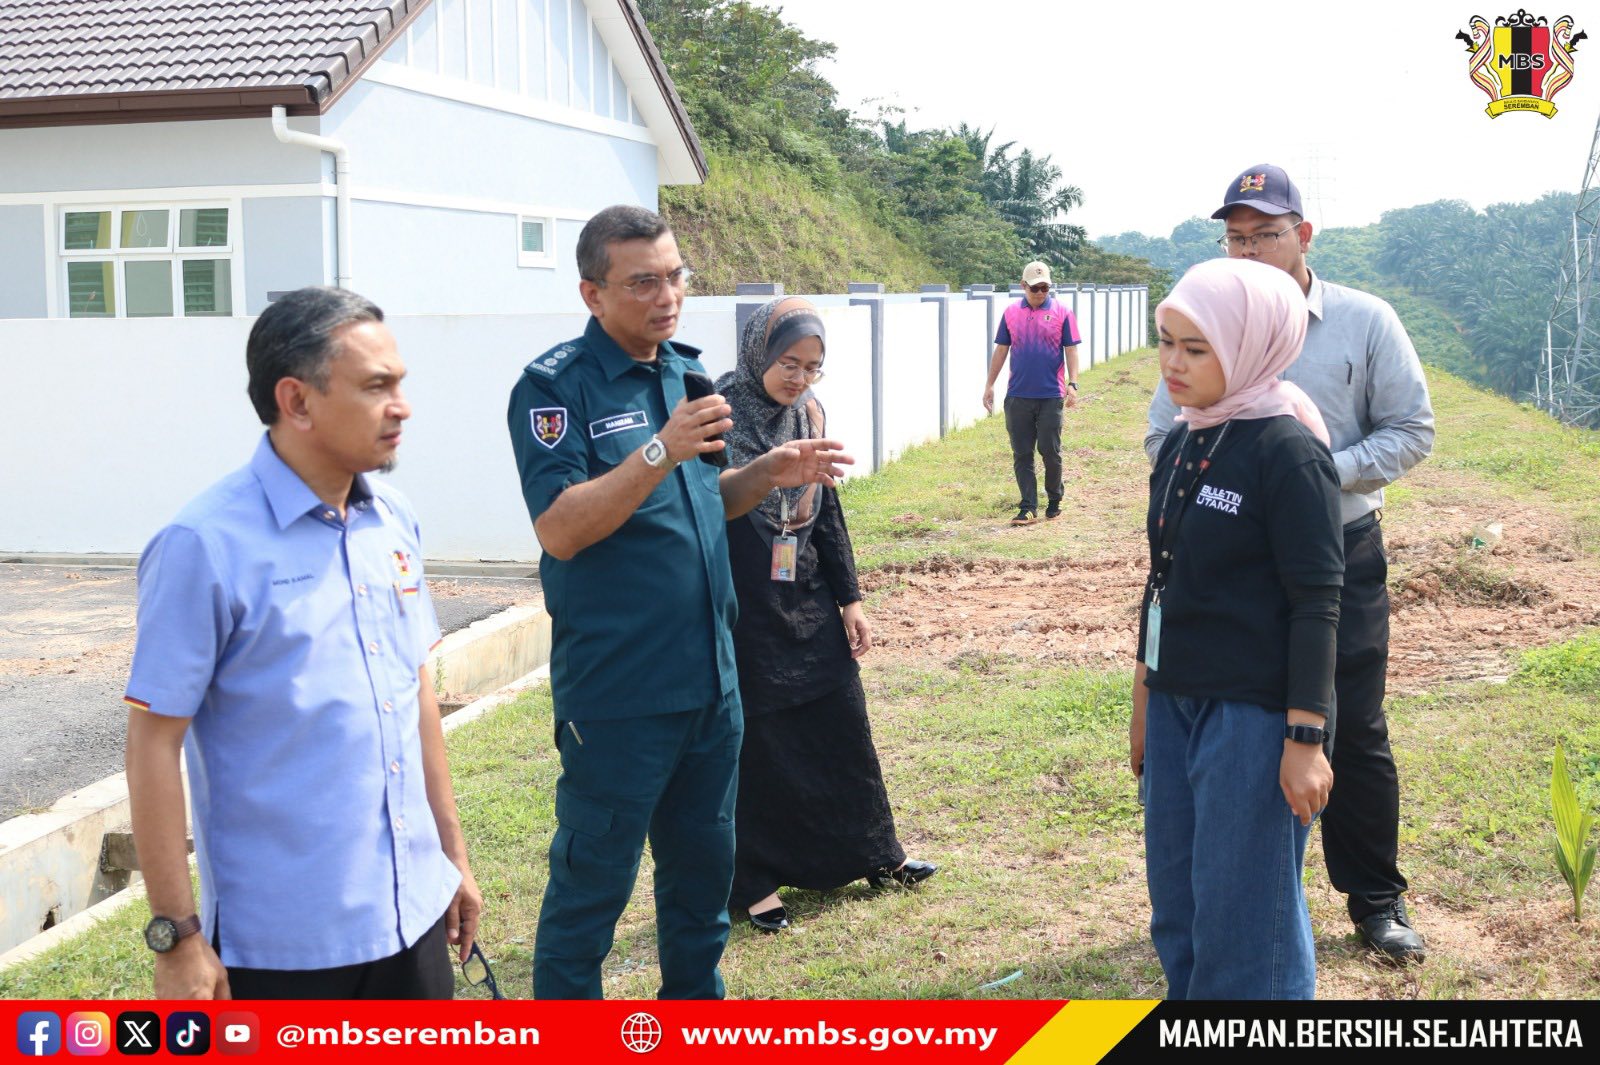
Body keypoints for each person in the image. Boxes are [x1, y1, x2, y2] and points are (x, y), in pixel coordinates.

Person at [506, 205, 852, 999]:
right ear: (593, 293)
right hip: (622, 692)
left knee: (701, 891)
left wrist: (766, 473)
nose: (667, 297)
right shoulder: (556, 387)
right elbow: (560, 529)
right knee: (591, 891)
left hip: (713, 684)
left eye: (675, 277)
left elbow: (701, 500)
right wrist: (659, 447)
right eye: (642, 283)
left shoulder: (685, 369)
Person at [123, 286, 482, 999]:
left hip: (413, 915)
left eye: (400, 383)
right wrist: (177, 935)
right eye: (376, 385)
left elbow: (415, 694)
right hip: (284, 948)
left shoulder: (393, 520)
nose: (401, 405)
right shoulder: (205, 545)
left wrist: (452, 857)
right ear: (297, 400)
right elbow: (153, 741)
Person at [1143, 164, 1435, 963]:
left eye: (1264, 234)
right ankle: (1251, 893)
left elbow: (1411, 428)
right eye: (1235, 237)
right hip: (1229, 560)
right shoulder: (1207, 319)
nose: (1247, 249)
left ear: (1302, 235)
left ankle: (1375, 894)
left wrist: (1302, 479)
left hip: (1335, 545)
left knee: (1349, 723)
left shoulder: (1363, 320)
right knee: (1242, 748)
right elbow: (1165, 432)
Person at [1130, 256, 1341, 999]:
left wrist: (1305, 737)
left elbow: (1318, 598)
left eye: (1196, 348)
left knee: (1247, 918)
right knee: (1181, 908)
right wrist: (1144, 701)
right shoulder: (1188, 440)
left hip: (1255, 714)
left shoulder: (1288, 450)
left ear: (1251, 344)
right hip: (1179, 703)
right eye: (1166, 342)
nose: (1173, 365)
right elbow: (1163, 580)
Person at [716, 297, 937, 933]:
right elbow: (702, 513)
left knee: (842, 727)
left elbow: (829, 513)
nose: (799, 378)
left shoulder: (809, 414)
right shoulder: (718, 415)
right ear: (759, 351)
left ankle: (876, 854)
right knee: (757, 747)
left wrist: (851, 598)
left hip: (806, 599)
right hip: (744, 609)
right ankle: (754, 884)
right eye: (788, 362)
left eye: (812, 367)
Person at [982, 260, 1083, 524]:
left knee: (1050, 450)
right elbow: (1001, 350)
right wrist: (990, 384)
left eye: (1045, 288)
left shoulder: (1063, 313)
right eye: (1035, 288)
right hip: (1018, 396)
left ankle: (1054, 498)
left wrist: (1073, 383)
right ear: (1023, 286)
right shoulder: (1011, 313)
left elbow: (1071, 349)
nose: (1040, 293)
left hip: (1050, 395)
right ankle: (1028, 506)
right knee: (1022, 453)